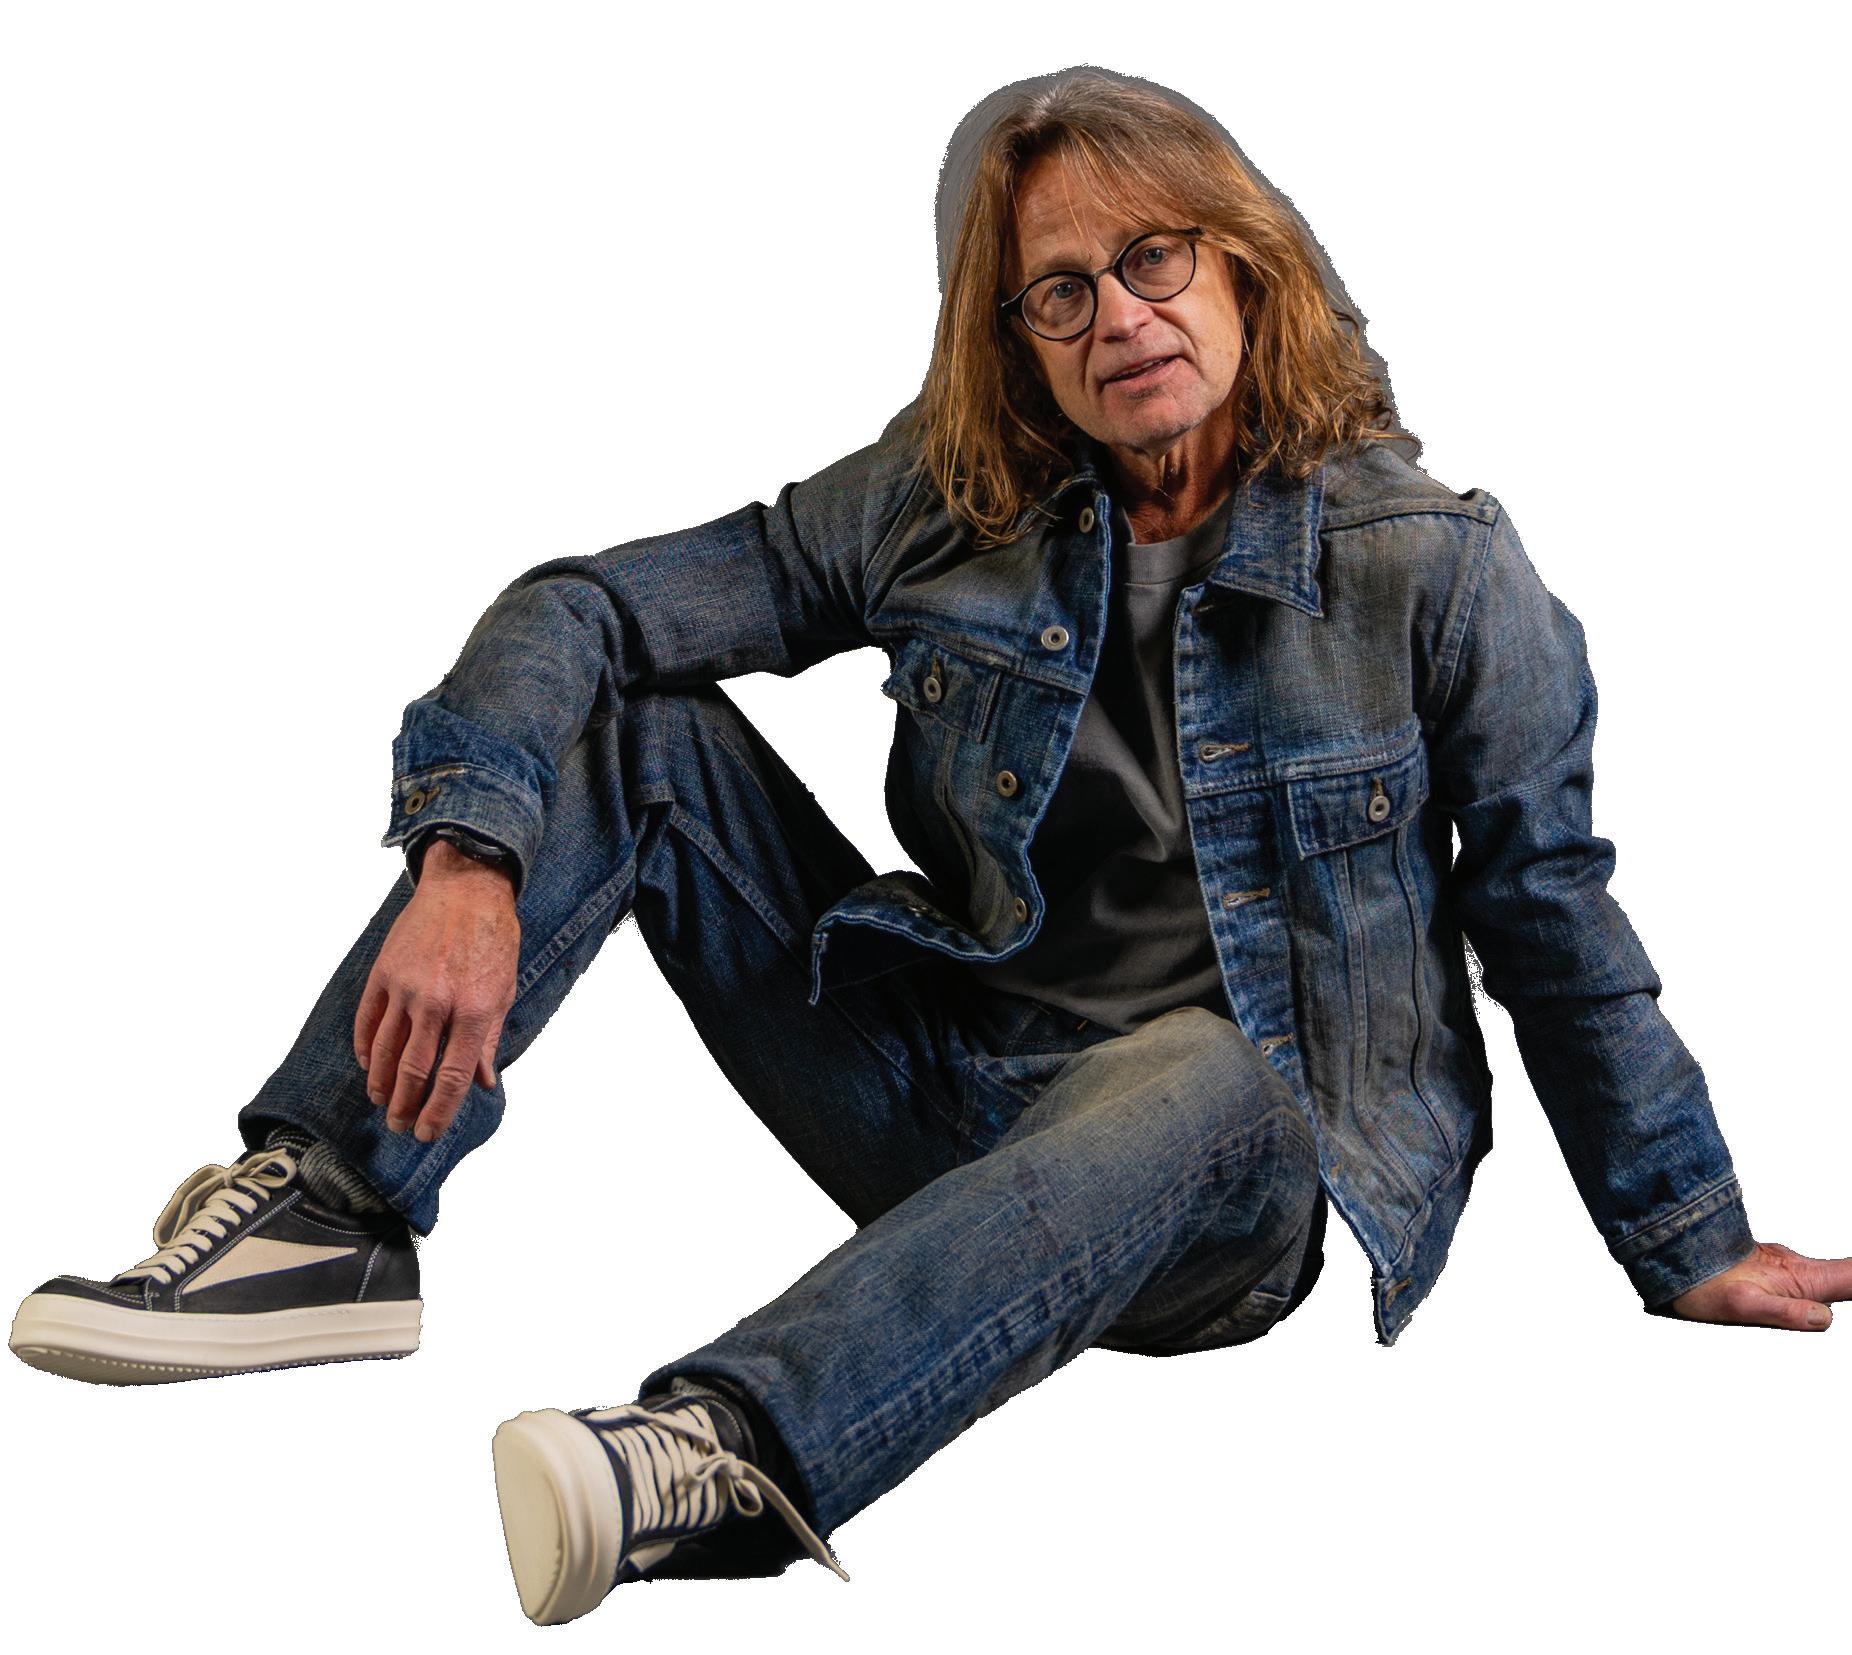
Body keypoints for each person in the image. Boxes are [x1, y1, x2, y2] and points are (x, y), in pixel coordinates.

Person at [10, 65, 1848, 1626]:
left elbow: (1546, 909)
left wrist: (1681, 1233)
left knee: (1214, 1071)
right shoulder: (946, 502)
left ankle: (728, 1447)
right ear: (1012, 339)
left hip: (1229, 1181)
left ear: (1246, 260)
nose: (1120, 317)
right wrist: (469, 859)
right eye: (1060, 291)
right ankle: (331, 1214)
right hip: (945, 1093)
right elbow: (591, 606)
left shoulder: (1435, 568)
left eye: (1154, 257)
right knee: (636, 726)